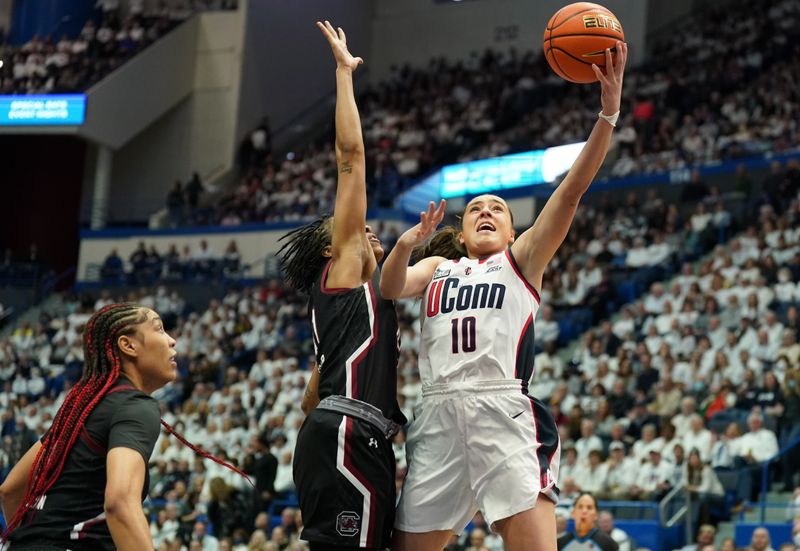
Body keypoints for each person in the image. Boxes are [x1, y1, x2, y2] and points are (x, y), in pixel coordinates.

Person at [381, 43, 627, 551]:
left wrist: (607, 114)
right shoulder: (439, 266)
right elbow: (389, 286)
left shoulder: (522, 260)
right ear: (462, 229)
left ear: (515, 228)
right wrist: (407, 242)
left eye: (498, 208)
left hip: (503, 414)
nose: (486, 212)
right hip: (437, 414)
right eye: (475, 209)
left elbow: (572, 190)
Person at [277, 21, 406, 551]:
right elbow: (350, 158)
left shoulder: (348, 304)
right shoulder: (346, 268)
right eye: (351, 229)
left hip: (336, 433)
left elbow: (313, 395)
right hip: (350, 434)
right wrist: (344, 74)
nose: (364, 228)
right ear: (334, 251)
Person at [0, 303, 248, 550]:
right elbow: (120, 503)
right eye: (160, 330)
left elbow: (10, 491)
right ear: (128, 345)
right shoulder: (134, 406)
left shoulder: (80, 410)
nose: (172, 340)